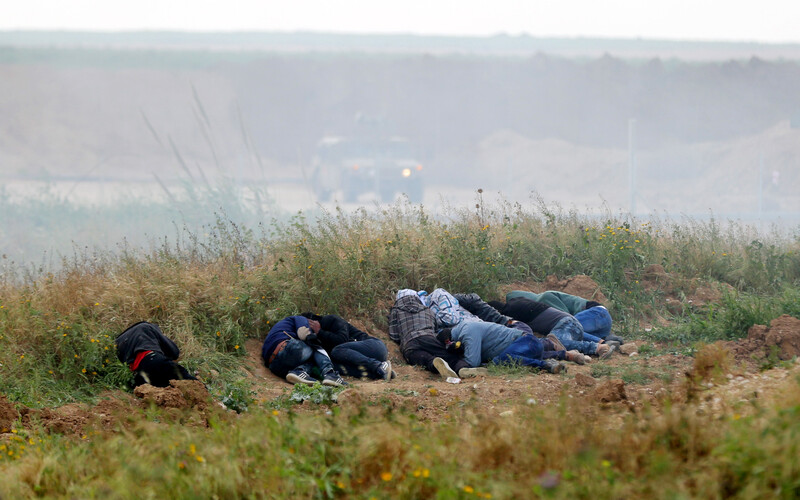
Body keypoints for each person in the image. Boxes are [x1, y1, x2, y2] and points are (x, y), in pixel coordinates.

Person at [489, 297, 616, 358]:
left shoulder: (512, 311)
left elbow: (521, 335)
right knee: (561, 341)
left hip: (565, 323)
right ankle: (601, 342)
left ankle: (598, 347)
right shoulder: (516, 302)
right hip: (570, 323)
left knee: (557, 342)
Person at [388, 289, 471, 380]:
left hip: (410, 342)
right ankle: (462, 368)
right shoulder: (427, 310)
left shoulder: (396, 310)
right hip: (429, 337)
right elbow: (435, 330)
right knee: (451, 357)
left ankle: (433, 363)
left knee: (418, 357)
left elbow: (394, 335)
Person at [301, 312, 394, 381]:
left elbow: (342, 340)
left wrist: (320, 332)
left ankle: (379, 366)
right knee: (334, 365)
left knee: (337, 350)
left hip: (375, 346)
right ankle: (378, 372)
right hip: (365, 356)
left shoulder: (331, 320)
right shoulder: (315, 339)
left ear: (312, 322)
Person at [506, 290, 623, 344]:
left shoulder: (546, 297)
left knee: (568, 329)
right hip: (600, 322)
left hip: (596, 313)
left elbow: (567, 321)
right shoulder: (544, 301)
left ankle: (602, 343)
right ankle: (607, 339)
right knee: (572, 334)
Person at [261, 315, 346, 387]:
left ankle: (299, 371)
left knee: (311, 359)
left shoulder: (283, 326)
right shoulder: (301, 318)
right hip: (286, 349)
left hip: (275, 366)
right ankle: (329, 373)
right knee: (314, 346)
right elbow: (303, 334)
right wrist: (314, 337)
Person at [116, 321, 197, 388]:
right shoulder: (146, 327)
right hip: (154, 359)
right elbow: (174, 352)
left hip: (139, 375)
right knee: (193, 384)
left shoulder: (119, 340)